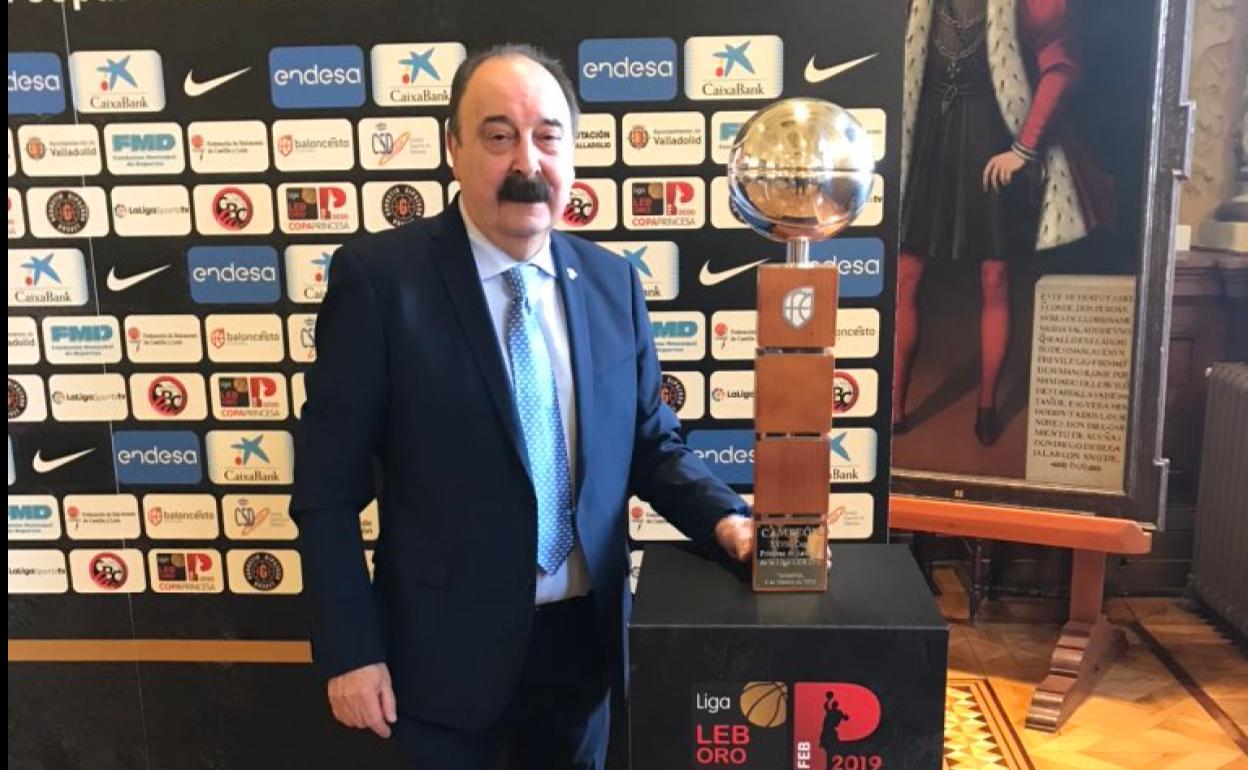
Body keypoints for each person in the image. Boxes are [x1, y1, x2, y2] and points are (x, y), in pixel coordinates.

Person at [290, 44, 754, 770]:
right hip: (436, 664)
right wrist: (350, 652)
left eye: (547, 136)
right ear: (453, 147)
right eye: (498, 135)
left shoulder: (612, 284)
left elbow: (651, 444)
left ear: (571, 150)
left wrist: (729, 522)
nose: (525, 163)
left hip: (581, 653)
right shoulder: (380, 284)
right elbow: (325, 493)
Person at [894, 0, 1113, 445]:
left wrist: (1022, 148)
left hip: (992, 138)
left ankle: (987, 404)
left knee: (994, 277)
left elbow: (1061, 68)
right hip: (927, 139)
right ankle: (893, 405)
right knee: (905, 272)